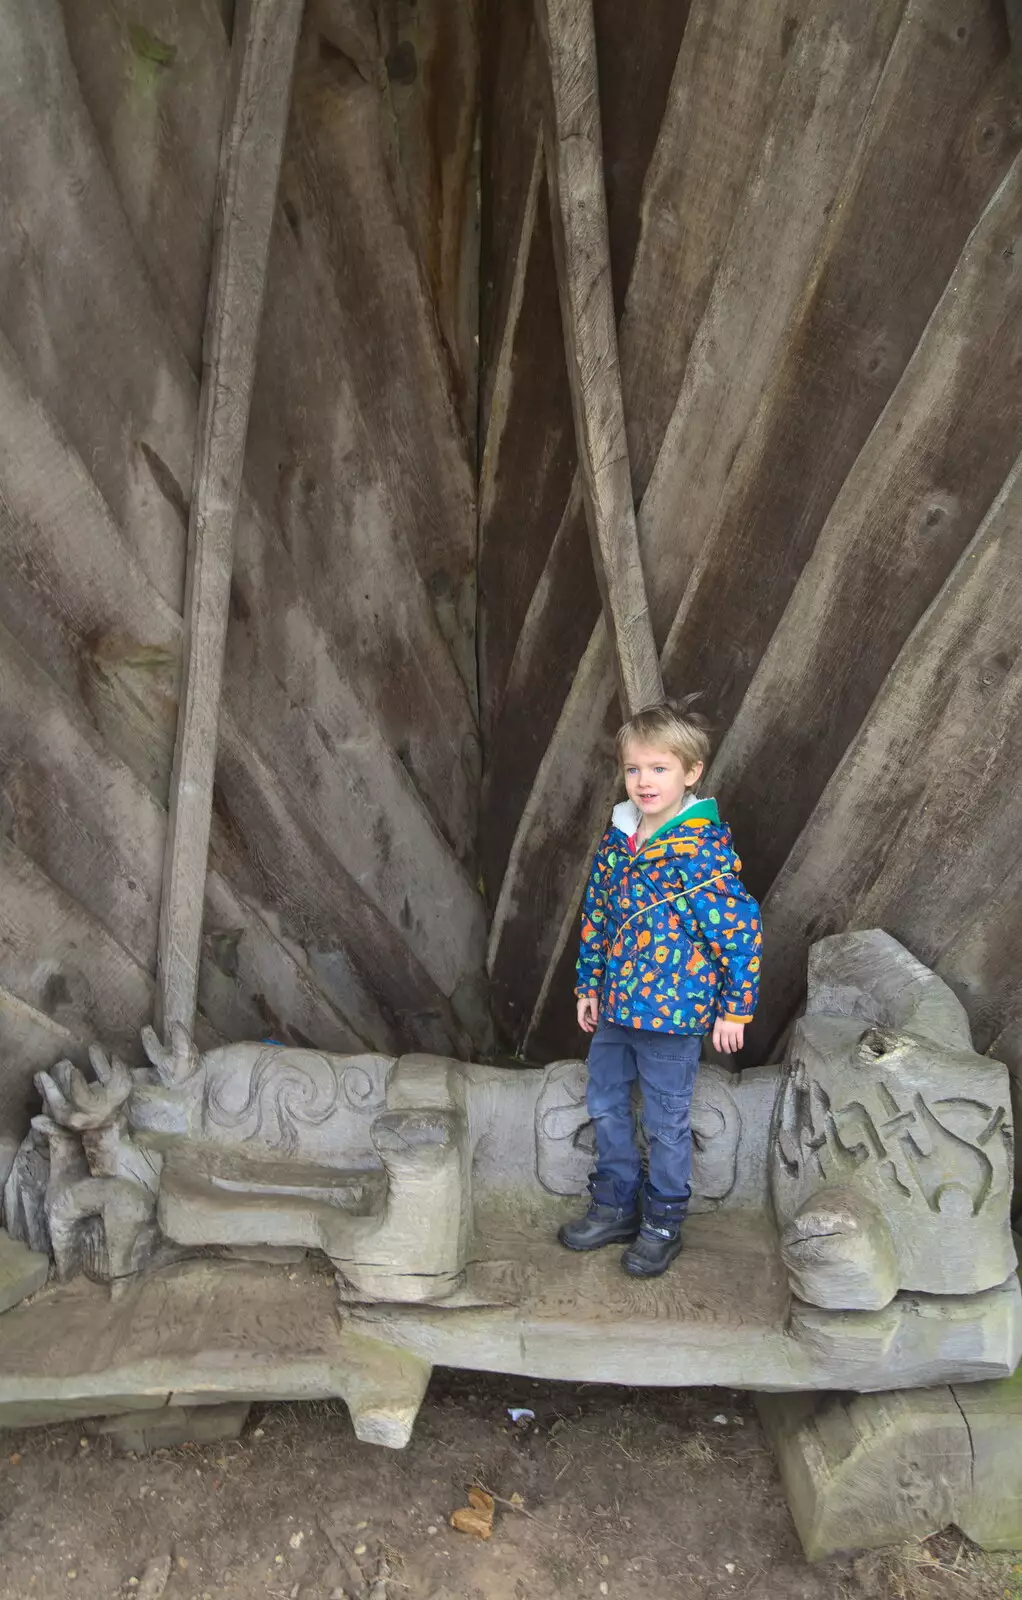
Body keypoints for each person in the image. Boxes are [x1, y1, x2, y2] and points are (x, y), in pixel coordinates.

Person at [558, 699, 762, 1277]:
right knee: (604, 1101)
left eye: (660, 768)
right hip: (618, 1011)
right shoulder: (620, 836)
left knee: (667, 1121)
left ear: (691, 772)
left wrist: (735, 1011)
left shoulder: (700, 849)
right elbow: (596, 914)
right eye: (634, 769)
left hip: (674, 1018)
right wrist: (588, 985)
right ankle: (616, 1202)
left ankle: (664, 1219)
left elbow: (739, 931)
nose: (644, 781)